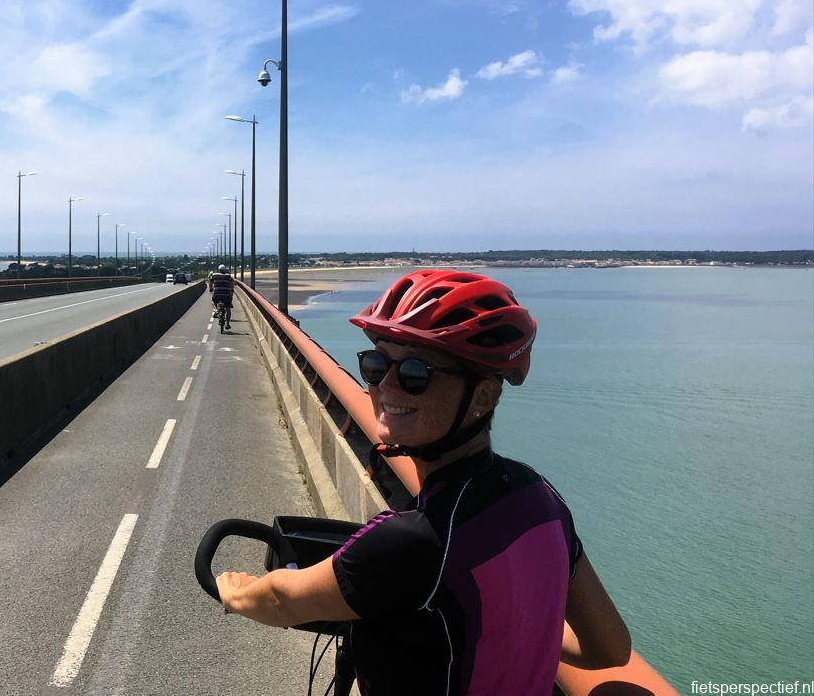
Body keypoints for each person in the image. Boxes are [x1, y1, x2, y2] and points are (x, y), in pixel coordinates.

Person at [216, 269, 632, 695]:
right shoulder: (541, 497)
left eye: (416, 374)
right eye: (376, 365)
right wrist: (516, 625)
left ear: (484, 397)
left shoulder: (418, 540)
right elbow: (610, 648)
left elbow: (280, 600)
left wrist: (234, 591)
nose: (386, 387)